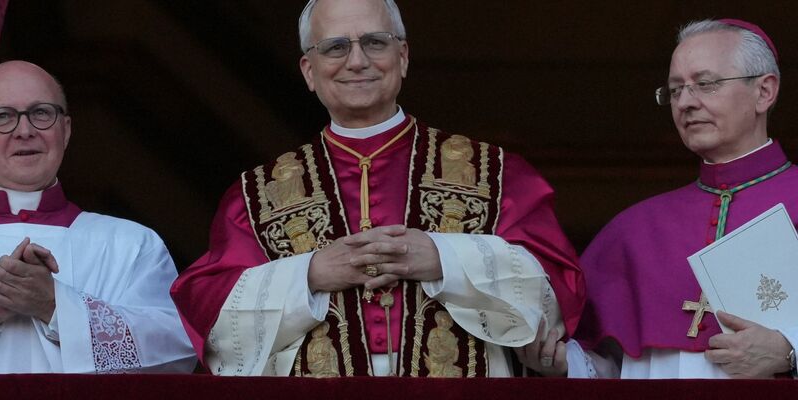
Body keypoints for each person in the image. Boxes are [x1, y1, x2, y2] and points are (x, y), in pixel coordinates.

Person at [171, 0, 584, 377]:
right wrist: (310, 275)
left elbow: (557, 292)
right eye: (335, 47)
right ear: (309, 72)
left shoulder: (494, 174)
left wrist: (444, 258)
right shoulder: (255, 196)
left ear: (402, 57)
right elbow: (211, 320)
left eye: (375, 42)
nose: (357, 61)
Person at [564, 19, 798, 379]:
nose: (686, 102)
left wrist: (790, 352)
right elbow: (607, 367)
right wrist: (559, 362)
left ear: (764, 92)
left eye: (705, 84)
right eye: (675, 90)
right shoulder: (634, 230)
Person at [0, 60, 196, 373]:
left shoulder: (132, 244)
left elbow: (177, 354)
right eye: (3, 116)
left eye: (41, 113)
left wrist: (55, 306)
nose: (25, 131)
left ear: (66, 130)